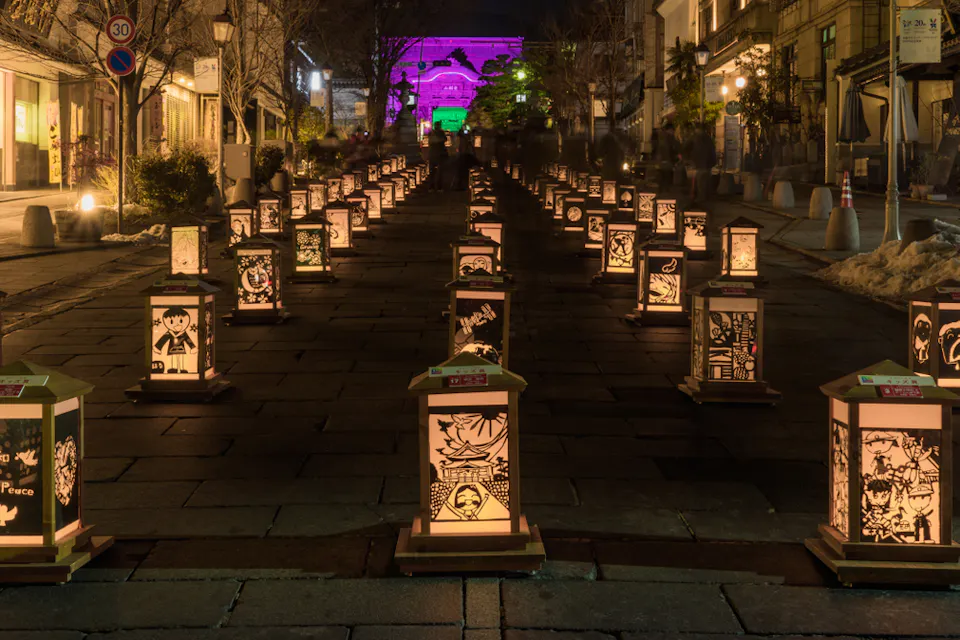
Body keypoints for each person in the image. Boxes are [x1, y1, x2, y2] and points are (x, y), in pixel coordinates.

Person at [655, 123, 679, 189]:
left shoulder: (661, 138)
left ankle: (662, 192)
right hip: (668, 163)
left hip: (662, 163)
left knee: (662, 180)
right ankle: (666, 193)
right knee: (667, 180)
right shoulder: (670, 139)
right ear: (670, 130)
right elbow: (675, 149)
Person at [428, 123, 448, 192]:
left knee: (433, 172)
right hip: (439, 154)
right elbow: (445, 139)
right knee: (439, 171)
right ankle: (438, 187)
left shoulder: (431, 133)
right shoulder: (440, 133)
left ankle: (432, 187)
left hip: (433, 154)